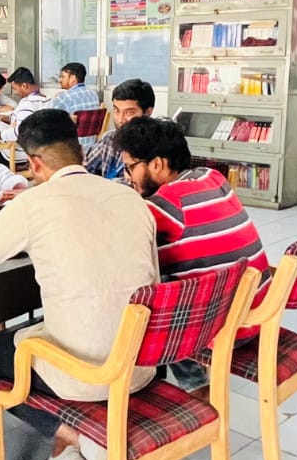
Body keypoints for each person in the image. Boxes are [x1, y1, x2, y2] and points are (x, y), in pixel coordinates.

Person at [0, 110, 159, 460]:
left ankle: (80, 437)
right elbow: (153, 283)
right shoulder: (131, 199)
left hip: (85, 375)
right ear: (80, 151)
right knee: (40, 329)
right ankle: (70, 441)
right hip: (141, 364)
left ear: (34, 164)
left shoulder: (33, 203)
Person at [114, 118, 272, 393]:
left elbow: (121, 239)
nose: (128, 177)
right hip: (259, 310)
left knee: (151, 290)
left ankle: (194, 386)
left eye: (130, 167)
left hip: (227, 326)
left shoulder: (165, 205)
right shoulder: (211, 176)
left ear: (157, 164)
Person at [84, 79, 156, 180]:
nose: (120, 119)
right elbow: (85, 171)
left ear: (147, 112)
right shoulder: (109, 139)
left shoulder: (155, 147)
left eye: (129, 113)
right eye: (116, 110)